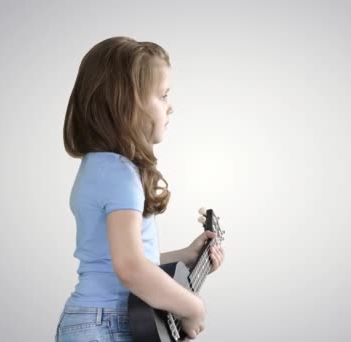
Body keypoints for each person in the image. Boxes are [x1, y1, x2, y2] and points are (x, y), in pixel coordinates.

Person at [54, 36, 225, 342]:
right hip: (108, 324)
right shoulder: (119, 174)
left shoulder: (102, 166)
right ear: (127, 104)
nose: (170, 107)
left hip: (97, 320)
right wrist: (192, 307)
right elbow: (131, 269)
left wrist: (187, 256)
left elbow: (119, 259)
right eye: (162, 95)